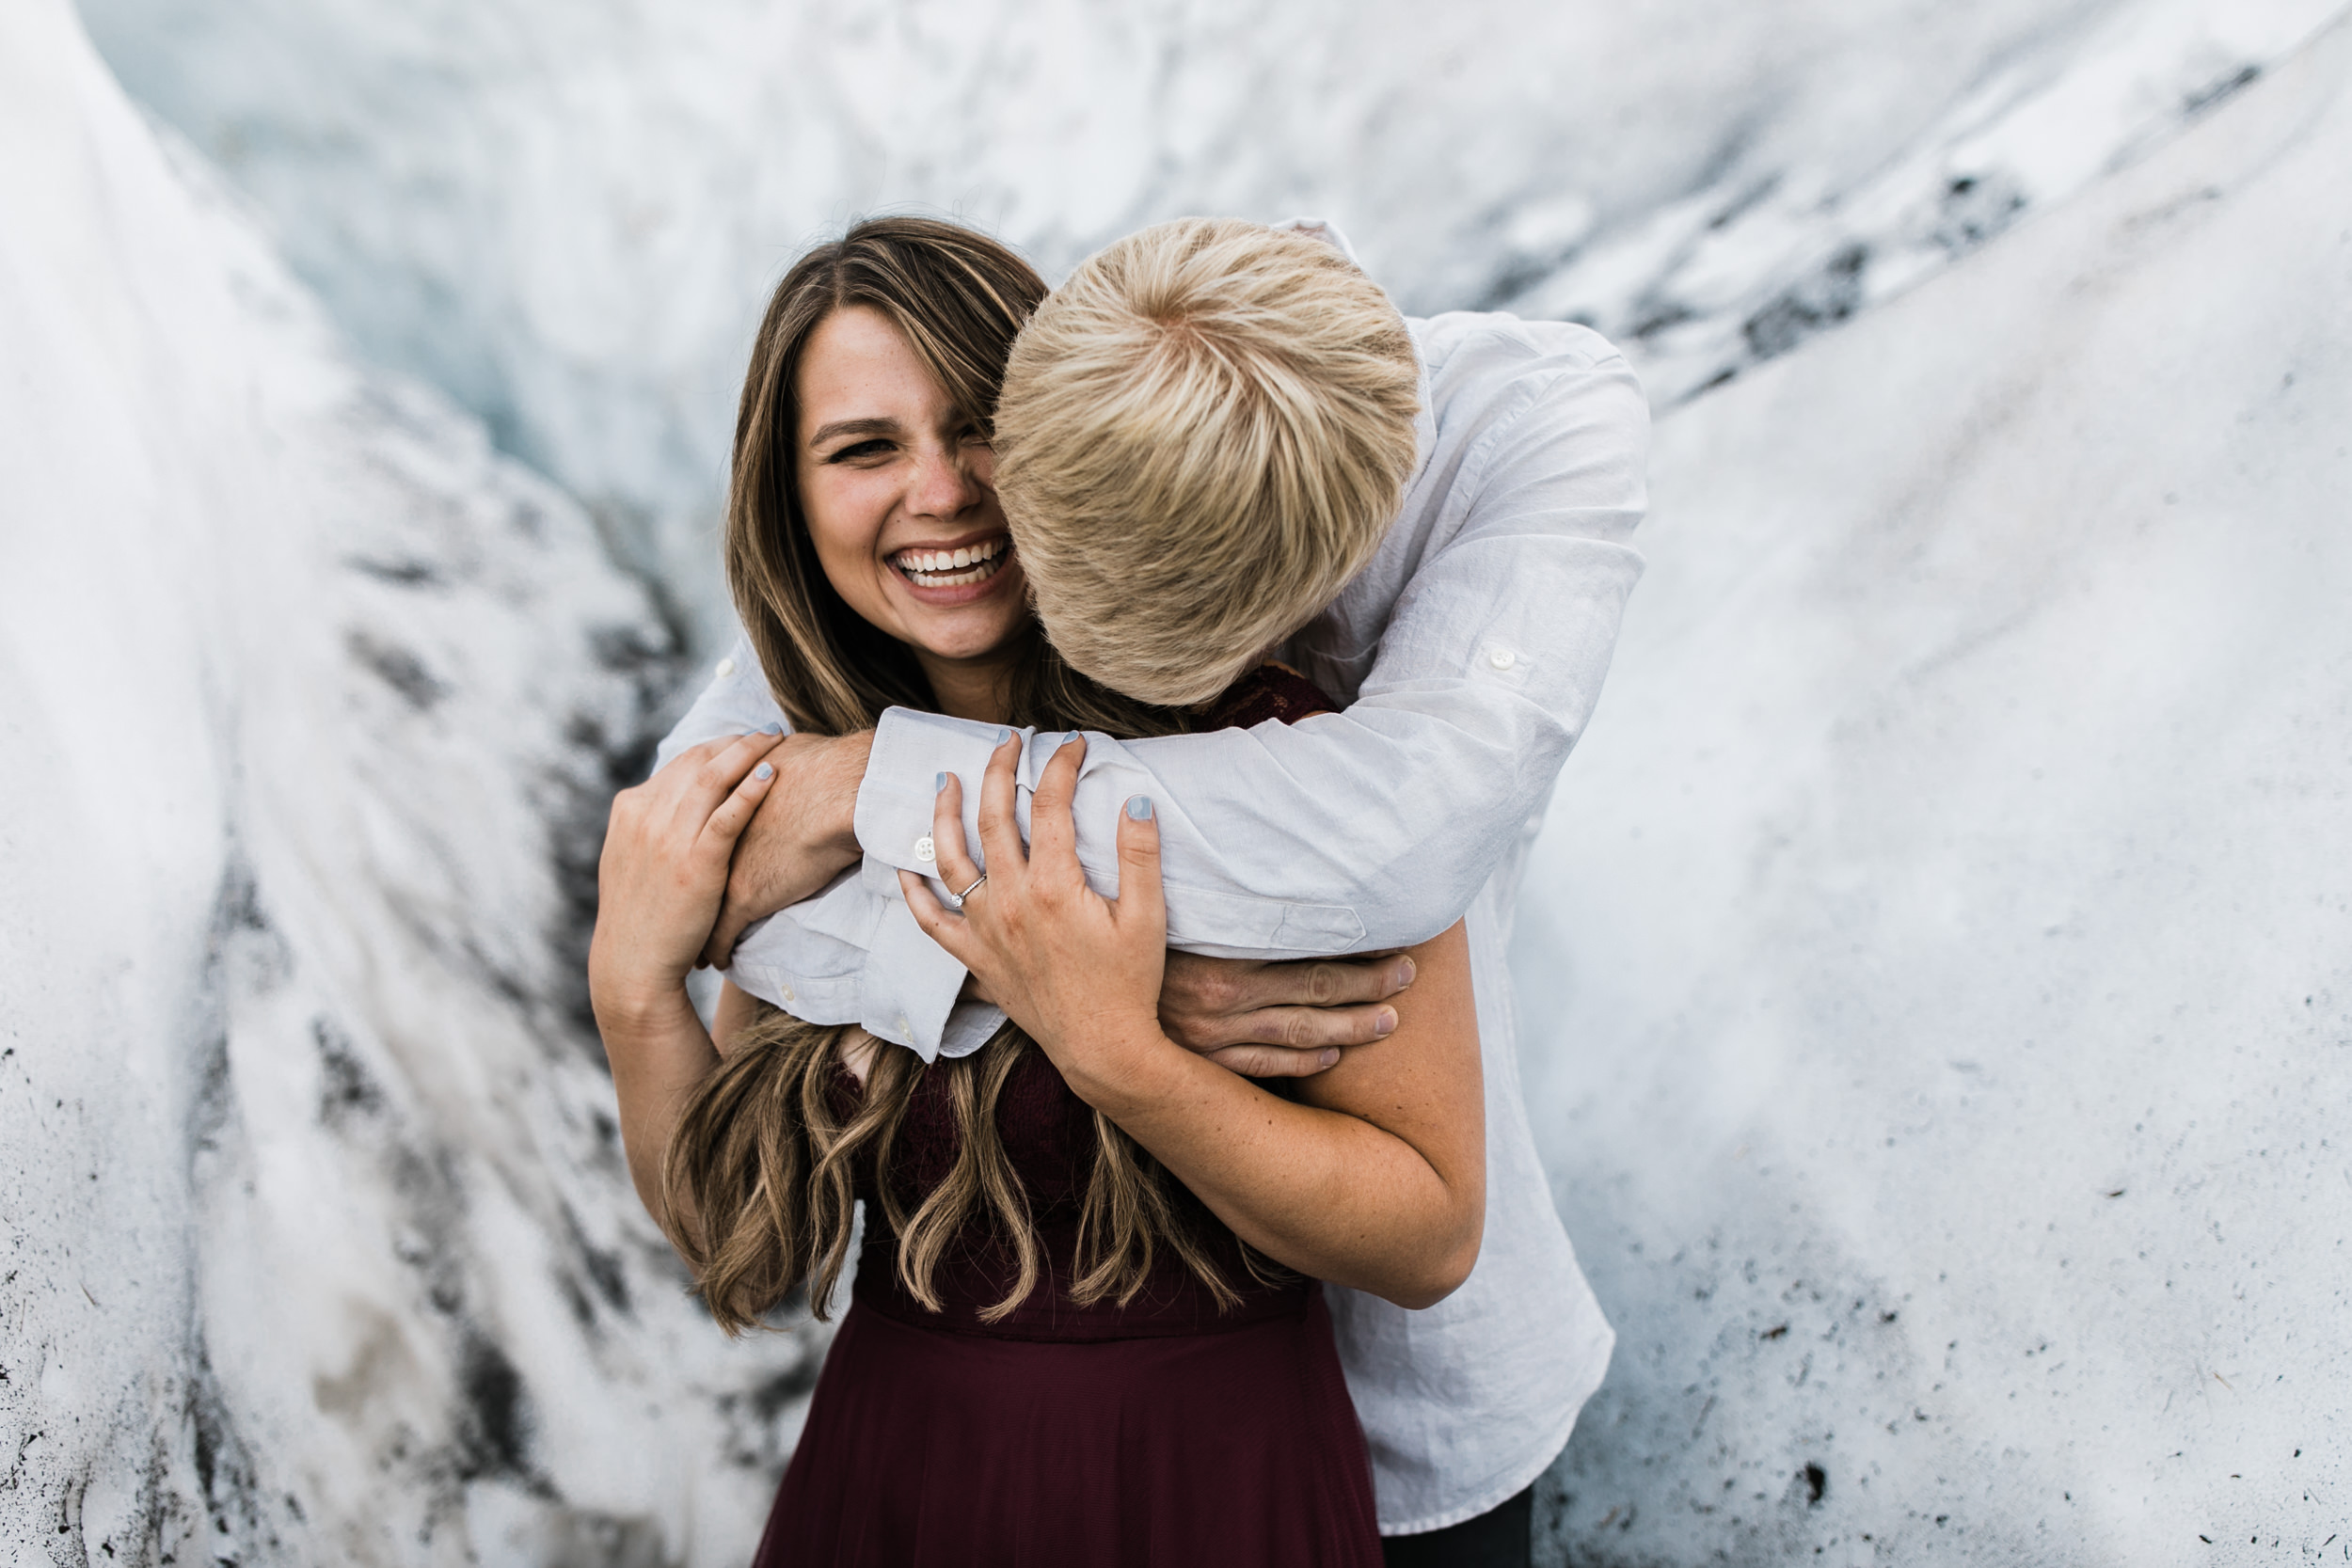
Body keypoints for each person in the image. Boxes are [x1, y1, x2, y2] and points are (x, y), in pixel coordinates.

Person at [665, 214, 1647, 1563]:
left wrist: (1103, 1028)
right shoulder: (798, 735)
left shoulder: (1323, 724)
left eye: (975, 431)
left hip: (1272, 1456)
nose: (945, 491)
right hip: (915, 1458)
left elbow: (1390, 852)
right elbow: (752, 1232)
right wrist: (634, 970)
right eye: (863, 446)